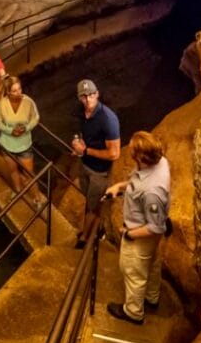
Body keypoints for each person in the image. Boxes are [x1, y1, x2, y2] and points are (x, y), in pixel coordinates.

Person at [103, 131, 172, 325]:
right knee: (153, 263)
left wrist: (130, 234)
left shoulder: (152, 192)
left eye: (134, 151)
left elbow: (156, 227)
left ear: (141, 157)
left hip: (142, 234)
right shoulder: (161, 163)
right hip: (150, 234)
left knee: (133, 272)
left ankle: (133, 312)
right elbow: (139, 181)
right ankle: (152, 297)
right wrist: (120, 187)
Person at [70, 79, 120, 249]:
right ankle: (97, 229)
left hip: (99, 171)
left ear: (97, 94)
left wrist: (86, 151)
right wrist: (77, 143)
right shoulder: (81, 112)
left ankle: (85, 238)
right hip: (85, 165)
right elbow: (80, 131)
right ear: (79, 98)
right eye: (84, 96)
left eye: (91, 95)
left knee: (92, 205)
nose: (88, 99)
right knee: (91, 201)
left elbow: (114, 153)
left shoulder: (108, 119)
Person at [0, 76, 40, 204]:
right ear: (8, 92)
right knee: (13, 170)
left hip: (24, 145)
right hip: (7, 144)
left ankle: (37, 198)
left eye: (19, 89)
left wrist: (26, 128)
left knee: (29, 173)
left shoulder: (28, 102)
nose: (18, 92)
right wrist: (10, 131)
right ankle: (18, 191)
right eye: (14, 90)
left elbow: (35, 118)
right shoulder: (2, 104)